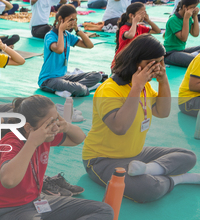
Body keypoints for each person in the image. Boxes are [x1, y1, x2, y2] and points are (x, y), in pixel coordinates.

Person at [0, 95, 147, 220]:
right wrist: (32, 143)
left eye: (56, 119)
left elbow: (78, 138)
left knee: (105, 211)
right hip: (7, 212)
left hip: (37, 200)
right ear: (29, 128)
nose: (55, 126)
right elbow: (9, 180)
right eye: (50, 122)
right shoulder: (11, 143)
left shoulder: (45, 135)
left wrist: (66, 125)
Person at [84, 35, 199, 202]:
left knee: (188, 156)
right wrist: (137, 86)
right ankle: (177, 179)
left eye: (161, 62)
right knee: (149, 190)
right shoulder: (109, 90)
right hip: (102, 160)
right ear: (135, 62)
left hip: (135, 156)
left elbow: (162, 111)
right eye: (152, 63)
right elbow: (120, 127)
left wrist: (163, 80)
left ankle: (148, 169)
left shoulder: (145, 86)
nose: (158, 67)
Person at [38, 5, 100, 97]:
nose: (73, 23)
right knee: (79, 89)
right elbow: (59, 50)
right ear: (60, 19)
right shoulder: (50, 36)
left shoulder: (67, 35)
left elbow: (89, 45)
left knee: (97, 75)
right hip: (48, 80)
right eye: (71, 20)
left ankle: (73, 88)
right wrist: (60, 30)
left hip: (63, 77)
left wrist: (77, 30)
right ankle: (79, 88)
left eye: (75, 20)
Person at [164, 0, 200, 68]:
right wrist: (186, 18)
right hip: (170, 53)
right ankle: (192, 57)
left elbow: (195, 34)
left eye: (195, 7)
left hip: (181, 50)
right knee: (196, 61)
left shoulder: (188, 17)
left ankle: (191, 56)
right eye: (192, 7)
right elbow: (183, 38)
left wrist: (195, 16)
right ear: (184, 7)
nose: (194, 9)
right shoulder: (173, 20)